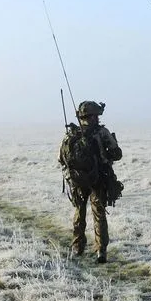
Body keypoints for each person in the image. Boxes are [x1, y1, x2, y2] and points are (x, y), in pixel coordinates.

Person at [58, 100, 123, 262]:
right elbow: (117, 154)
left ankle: (77, 247)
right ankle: (101, 250)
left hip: (78, 181)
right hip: (99, 179)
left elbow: (61, 159)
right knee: (99, 214)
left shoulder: (71, 134)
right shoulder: (101, 132)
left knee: (79, 213)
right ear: (95, 115)